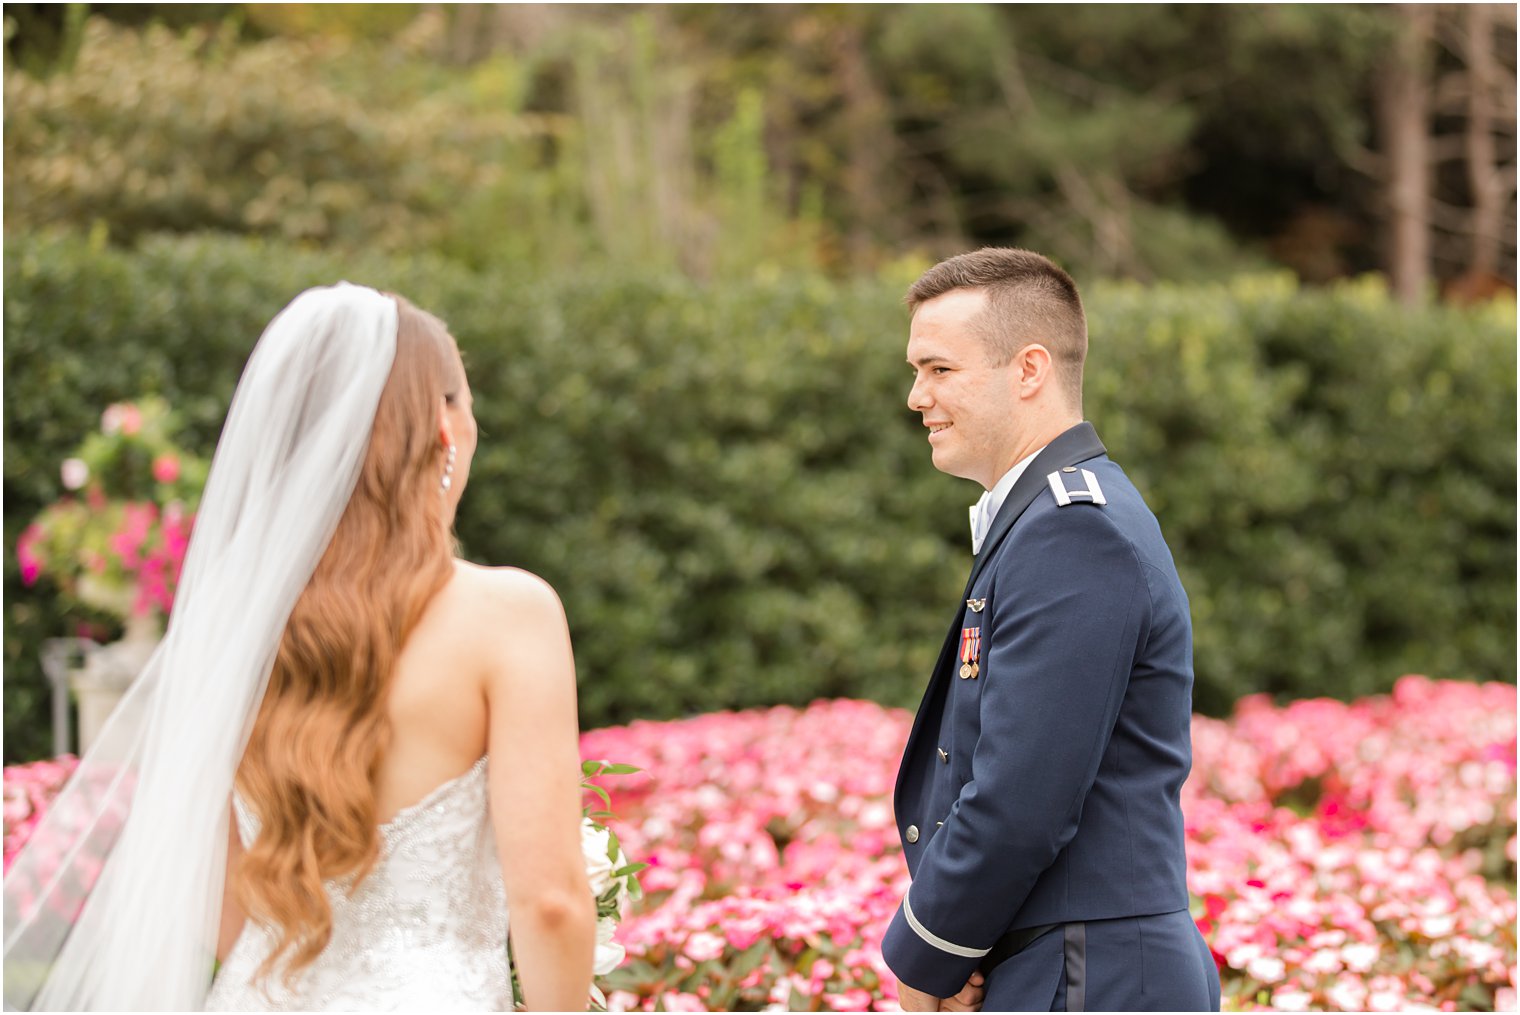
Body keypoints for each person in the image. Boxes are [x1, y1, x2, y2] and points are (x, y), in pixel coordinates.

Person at [3, 284, 596, 1010]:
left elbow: (216, 899)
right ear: (444, 430)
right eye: (468, 406)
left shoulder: (235, 629)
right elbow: (552, 904)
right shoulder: (507, 614)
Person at [881, 249, 1221, 1012]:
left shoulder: (1072, 532)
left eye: (939, 370)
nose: (915, 396)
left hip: (1089, 975)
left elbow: (1020, 795)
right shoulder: (1053, 518)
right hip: (1067, 963)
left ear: (1028, 369)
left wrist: (927, 951)